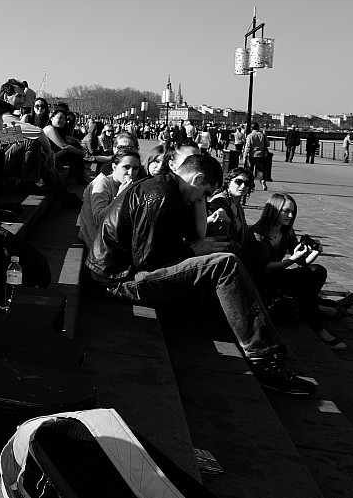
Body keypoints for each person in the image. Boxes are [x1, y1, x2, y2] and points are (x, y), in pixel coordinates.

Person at [87, 154, 315, 396]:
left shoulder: (169, 189)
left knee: (224, 251)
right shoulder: (160, 196)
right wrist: (193, 251)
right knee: (225, 264)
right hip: (119, 280)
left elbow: (196, 232)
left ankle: (256, 338)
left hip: (123, 272)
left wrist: (196, 207)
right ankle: (263, 360)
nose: (204, 200)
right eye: (205, 193)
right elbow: (148, 261)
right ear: (196, 178)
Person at [243, 193, 348, 350]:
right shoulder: (257, 233)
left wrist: (315, 252)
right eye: (286, 211)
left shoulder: (286, 232)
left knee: (317, 271)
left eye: (293, 212)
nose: (290, 215)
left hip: (277, 275)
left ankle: (316, 309)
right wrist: (291, 259)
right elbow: (266, 267)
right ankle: (318, 325)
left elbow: (302, 262)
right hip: (258, 280)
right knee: (304, 284)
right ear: (274, 210)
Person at [77, 147, 140, 249]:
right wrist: (119, 196)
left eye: (135, 168)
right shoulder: (102, 184)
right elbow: (98, 219)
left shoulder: (127, 185)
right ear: (114, 167)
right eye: (126, 167)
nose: (131, 172)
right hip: (97, 242)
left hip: (111, 237)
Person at [206, 166, 254, 251]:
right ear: (228, 182)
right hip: (218, 249)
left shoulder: (237, 204)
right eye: (238, 182)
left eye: (247, 183)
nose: (243, 186)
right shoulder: (220, 200)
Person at [244, 122, 270, 190]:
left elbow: (247, 147)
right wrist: (264, 134)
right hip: (261, 155)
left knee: (250, 170)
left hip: (252, 155)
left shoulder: (250, 136)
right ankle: (262, 180)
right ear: (258, 127)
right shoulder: (262, 135)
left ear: (251, 128)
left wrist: (245, 156)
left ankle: (251, 184)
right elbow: (268, 144)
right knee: (260, 170)